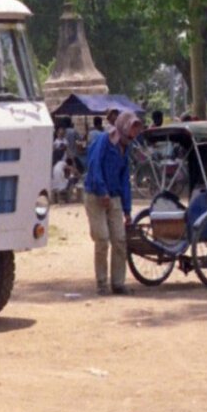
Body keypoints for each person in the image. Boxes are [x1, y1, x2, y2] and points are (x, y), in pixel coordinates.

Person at [83, 111, 143, 295]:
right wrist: (102, 191)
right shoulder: (104, 140)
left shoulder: (127, 147)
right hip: (95, 195)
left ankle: (118, 283)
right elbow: (94, 166)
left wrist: (127, 209)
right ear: (124, 126)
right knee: (102, 238)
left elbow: (124, 179)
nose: (133, 133)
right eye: (132, 127)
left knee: (119, 239)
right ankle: (102, 283)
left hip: (114, 197)